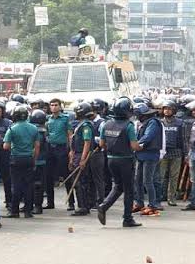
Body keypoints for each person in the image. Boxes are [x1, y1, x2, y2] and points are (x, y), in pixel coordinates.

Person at [97, 97, 143, 227]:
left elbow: (101, 144)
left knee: (118, 186)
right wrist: (141, 146)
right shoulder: (128, 126)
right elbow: (134, 146)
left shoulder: (106, 124)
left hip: (111, 160)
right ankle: (127, 218)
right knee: (128, 190)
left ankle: (104, 206)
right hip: (126, 161)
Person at [3, 105, 39, 218]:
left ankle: (14, 211)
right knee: (28, 186)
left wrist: (15, 147)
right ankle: (28, 211)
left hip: (16, 159)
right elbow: (37, 146)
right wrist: (34, 160)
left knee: (16, 185)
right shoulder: (34, 128)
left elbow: (5, 146)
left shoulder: (12, 128)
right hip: (29, 159)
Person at [133, 103, 163, 216]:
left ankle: (152, 205)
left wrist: (137, 144)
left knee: (148, 181)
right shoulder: (143, 123)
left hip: (150, 155)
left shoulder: (153, 122)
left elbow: (148, 136)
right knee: (138, 180)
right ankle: (139, 203)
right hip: (140, 154)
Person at [68, 102, 97, 216]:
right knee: (78, 181)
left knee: (80, 182)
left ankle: (83, 206)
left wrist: (83, 159)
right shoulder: (82, 124)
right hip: (77, 154)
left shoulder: (86, 125)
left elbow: (87, 142)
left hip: (82, 154)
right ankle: (83, 204)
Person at [45, 99, 72, 210]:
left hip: (62, 149)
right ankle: (50, 203)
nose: (54, 107)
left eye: (56, 105)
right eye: (52, 105)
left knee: (66, 176)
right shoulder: (48, 119)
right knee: (48, 176)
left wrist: (71, 150)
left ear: (60, 107)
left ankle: (71, 203)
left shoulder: (65, 119)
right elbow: (46, 132)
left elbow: (70, 135)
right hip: (50, 148)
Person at [159, 100, 184, 207]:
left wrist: (185, 153)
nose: (167, 111)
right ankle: (159, 197)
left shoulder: (179, 122)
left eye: (169, 109)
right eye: (165, 108)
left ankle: (171, 198)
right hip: (163, 152)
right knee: (160, 176)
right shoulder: (160, 122)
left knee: (174, 177)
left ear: (173, 110)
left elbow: (183, 138)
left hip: (176, 152)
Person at [183, 99, 195, 211]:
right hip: (194, 154)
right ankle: (193, 203)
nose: (193, 112)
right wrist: (188, 154)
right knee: (194, 180)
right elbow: (191, 140)